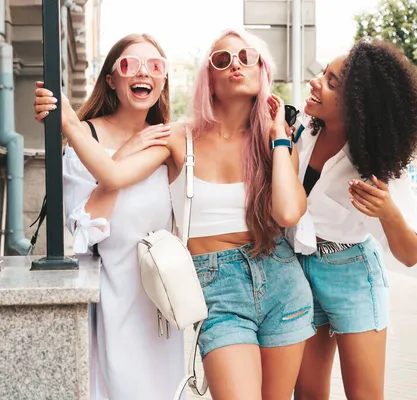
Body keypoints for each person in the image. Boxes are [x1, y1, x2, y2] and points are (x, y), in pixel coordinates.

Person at [39, 29, 316, 400]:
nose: (236, 64)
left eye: (247, 57)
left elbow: (286, 212)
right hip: (217, 284)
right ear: (209, 81)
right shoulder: (177, 136)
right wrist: (71, 124)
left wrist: (280, 135)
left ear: (263, 71)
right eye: (223, 59)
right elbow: (114, 177)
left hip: (281, 279)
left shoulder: (275, 143)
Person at [33, 33, 183, 400]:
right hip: (107, 297)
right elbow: (85, 230)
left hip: (160, 302)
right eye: (129, 65)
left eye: (155, 66)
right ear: (112, 79)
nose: (142, 73)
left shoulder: (169, 139)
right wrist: (121, 157)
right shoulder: (87, 136)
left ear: (163, 81)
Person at [290, 39, 417, 400]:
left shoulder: (376, 164)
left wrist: (386, 212)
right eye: (323, 73)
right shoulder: (302, 133)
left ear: (358, 103)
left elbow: (411, 253)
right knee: (307, 393)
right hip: (295, 271)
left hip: (350, 274)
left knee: (364, 395)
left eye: (332, 81)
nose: (316, 81)